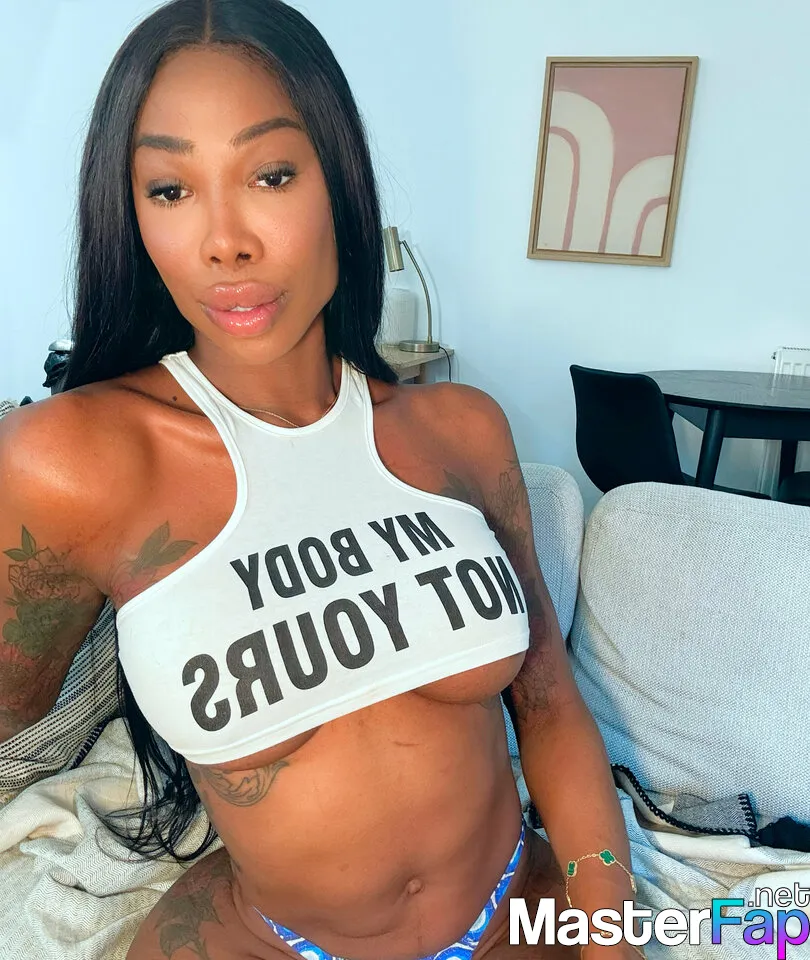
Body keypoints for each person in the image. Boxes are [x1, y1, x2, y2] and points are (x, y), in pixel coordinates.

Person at [0, 1, 643, 957]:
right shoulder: (73, 461)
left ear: (338, 181)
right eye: (170, 190)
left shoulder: (460, 429)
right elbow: (14, 714)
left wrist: (612, 934)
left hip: (523, 906)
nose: (226, 241)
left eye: (270, 175)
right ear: (131, 217)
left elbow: (549, 706)